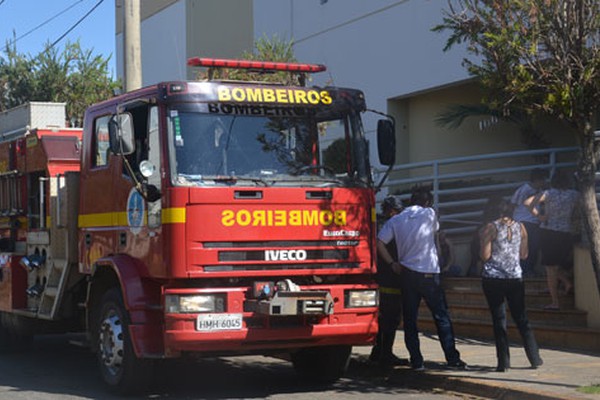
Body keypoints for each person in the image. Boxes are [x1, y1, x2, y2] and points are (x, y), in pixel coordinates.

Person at [377, 187, 466, 371]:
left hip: (407, 274)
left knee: (410, 320)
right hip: (428, 274)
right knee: (441, 316)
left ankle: (416, 361)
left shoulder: (396, 219)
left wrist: (393, 263)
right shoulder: (430, 214)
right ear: (428, 203)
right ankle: (452, 358)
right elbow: (435, 232)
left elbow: (380, 242)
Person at [479, 197, 544, 372]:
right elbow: (524, 255)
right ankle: (534, 357)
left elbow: (485, 256)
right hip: (515, 277)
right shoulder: (521, 227)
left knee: (499, 320)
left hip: (493, 278)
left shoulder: (490, 228)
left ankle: (503, 362)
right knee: (522, 318)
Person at [525, 171, 580, 310]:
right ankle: (565, 283)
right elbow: (578, 212)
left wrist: (540, 216)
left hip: (548, 231)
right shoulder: (575, 195)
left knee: (550, 267)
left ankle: (555, 301)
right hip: (566, 231)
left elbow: (527, 203)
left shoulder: (548, 193)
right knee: (557, 264)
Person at [369, 195, 405, 367]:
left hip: (382, 276)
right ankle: (385, 354)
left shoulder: (380, 224)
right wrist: (392, 263)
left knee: (384, 318)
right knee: (391, 317)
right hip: (390, 277)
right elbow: (381, 245)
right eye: (397, 211)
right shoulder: (391, 225)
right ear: (392, 211)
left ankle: (378, 352)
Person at [510, 168, 548, 277]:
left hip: (534, 222)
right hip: (523, 221)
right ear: (538, 179)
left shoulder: (541, 191)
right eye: (543, 179)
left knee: (534, 247)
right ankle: (525, 270)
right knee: (526, 246)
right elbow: (513, 204)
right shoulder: (523, 189)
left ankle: (530, 268)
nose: (544, 182)